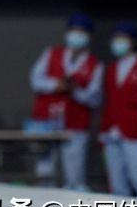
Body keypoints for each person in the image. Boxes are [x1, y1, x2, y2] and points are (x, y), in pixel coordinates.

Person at [29, 13, 102, 190]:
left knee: (74, 177)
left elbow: (94, 98)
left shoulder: (95, 64)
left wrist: (74, 90)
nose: (76, 35)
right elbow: (35, 80)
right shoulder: (51, 53)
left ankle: (75, 206)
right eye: (73, 30)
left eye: (81, 31)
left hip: (75, 123)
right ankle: (43, 205)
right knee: (44, 171)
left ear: (89, 36)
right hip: (45, 120)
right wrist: (56, 84)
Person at [100, 22, 137, 198]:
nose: (117, 41)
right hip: (112, 131)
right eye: (116, 37)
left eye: (122, 38)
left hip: (135, 132)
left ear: (133, 41)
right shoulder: (111, 69)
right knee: (116, 182)